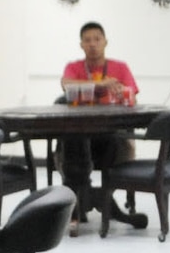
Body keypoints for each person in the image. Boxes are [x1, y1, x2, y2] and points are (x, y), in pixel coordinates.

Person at [59, 21, 139, 229]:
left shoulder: (120, 68)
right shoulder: (74, 67)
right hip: (78, 140)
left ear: (105, 42)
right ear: (81, 45)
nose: (93, 44)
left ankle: (75, 204)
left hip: (111, 139)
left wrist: (120, 93)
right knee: (74, 137)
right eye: (87, 40)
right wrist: (99, 85)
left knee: (83, 141)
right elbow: (66, 85)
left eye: (97, 39)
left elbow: (132, 99)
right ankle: (76, 201)